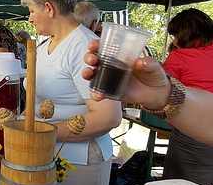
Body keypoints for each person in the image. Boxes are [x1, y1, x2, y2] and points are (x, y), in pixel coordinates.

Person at [21, 0, 122, 185]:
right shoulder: (45, 44)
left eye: (31, 10)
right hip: (49, 155)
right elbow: (36, 100)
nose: (30, 19)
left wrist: (42, 132)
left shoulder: (84, 47)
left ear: (49, 8)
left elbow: (107, 116)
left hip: (80, 160)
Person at [83, 40, 213, 147]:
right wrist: (161, 95)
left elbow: (109, 118)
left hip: (188, 138)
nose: (173, 40)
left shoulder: (180, 56)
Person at [156, 9, 213, 185]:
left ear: (185, 33)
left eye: (174, 35)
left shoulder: (180, 57)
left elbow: (160, 93)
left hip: (191, 136)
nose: (173, 40)